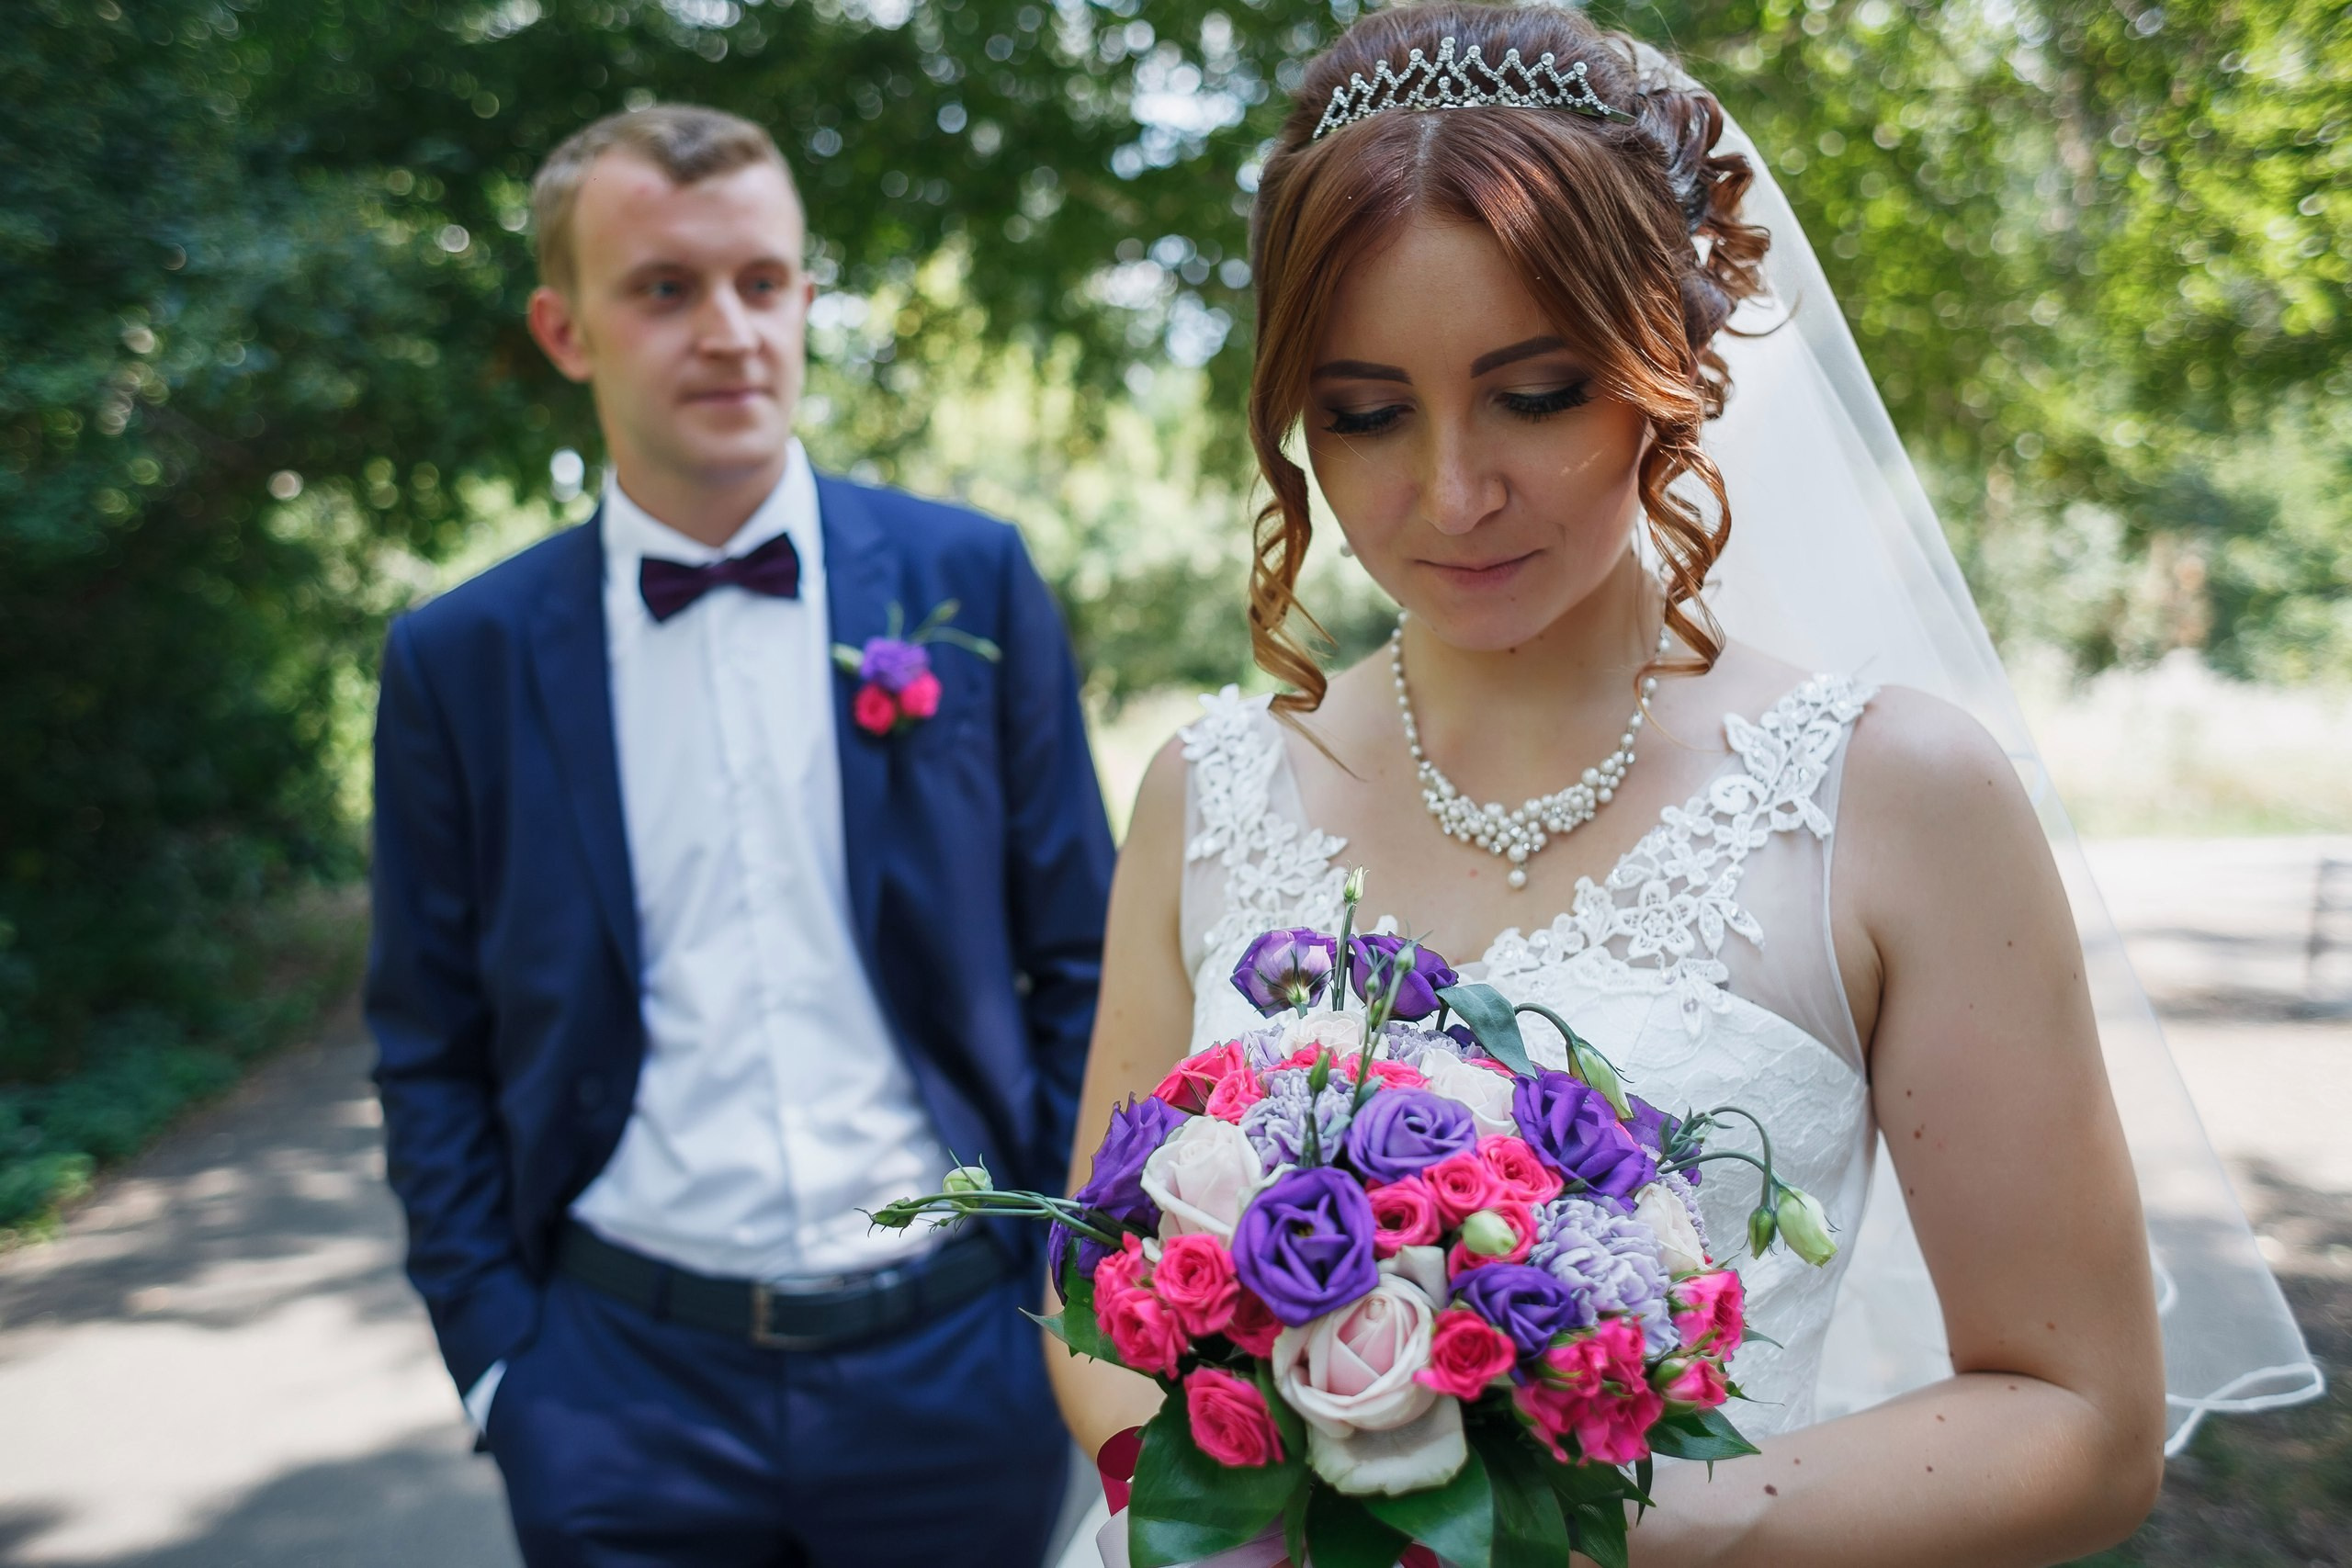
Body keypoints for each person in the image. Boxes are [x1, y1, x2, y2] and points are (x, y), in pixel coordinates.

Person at [1048, 6, 2194, 1562]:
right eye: (1367, 413)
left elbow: (2083, 1420)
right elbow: (1093, 1298)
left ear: (1670, 361)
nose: (1452, 493)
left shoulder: (1895, 797)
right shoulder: (1209, 786)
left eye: (1536, 394)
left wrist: (1613, 1526)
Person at [368, 104, 1113, 1566]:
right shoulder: (459, 657)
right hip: (618, 1391)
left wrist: (1058, 1283)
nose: (728, 330)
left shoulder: (972, 582)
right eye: (665, 288)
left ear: (805, 303)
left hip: (957, 1367)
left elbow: (1086, 961)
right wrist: (506, 1368)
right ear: (564, 328)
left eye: (762, 284)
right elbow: (425, 1039)